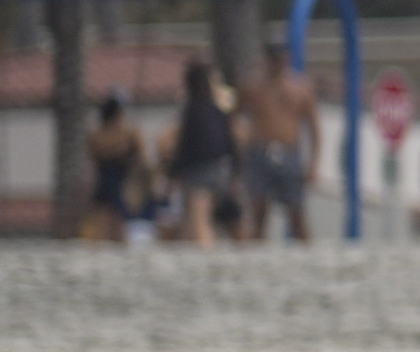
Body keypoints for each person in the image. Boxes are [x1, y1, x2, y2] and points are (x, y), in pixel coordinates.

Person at [233, 46, 319, 245]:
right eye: (273, 58)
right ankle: (256, 255)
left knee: (296, 213)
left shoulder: (300, 87)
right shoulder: (252, 85)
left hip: (289, 151)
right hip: (259, 150)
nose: (276, 63)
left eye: (280, 58)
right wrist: (241, 138)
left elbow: (313, 128)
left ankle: (308, 256)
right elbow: (234, 115)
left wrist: (313, 163)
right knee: (258, 210)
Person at [167, 56, 243, 248]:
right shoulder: (218, 111)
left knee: (198, 219)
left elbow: (186, 146)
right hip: (220, 169)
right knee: (216, 218)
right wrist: (235, 172)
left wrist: (173, 172)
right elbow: (229, 143)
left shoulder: (192, 111)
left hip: (199, 171)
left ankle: (204, 253)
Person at [81, 93, 156, 243]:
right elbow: (143, 158)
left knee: (102, 224)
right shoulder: (128, 133)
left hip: (104, 181)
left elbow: (92, 158)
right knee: (119, 225)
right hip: (122, 183)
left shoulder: (97, 135)